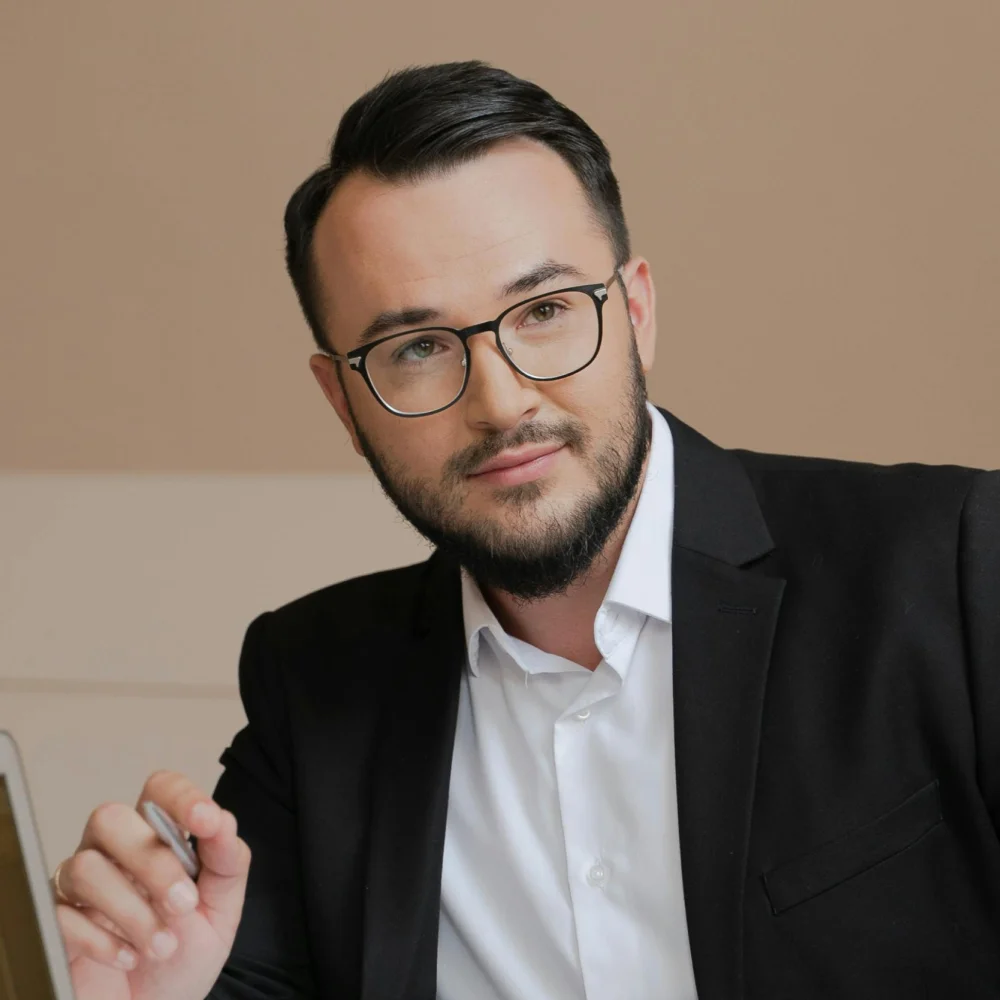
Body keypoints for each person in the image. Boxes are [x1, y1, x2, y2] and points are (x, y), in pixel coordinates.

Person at [48, 61, 999, 1000]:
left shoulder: (955, 564)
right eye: (417, 348)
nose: (501, 404)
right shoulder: (315, 682)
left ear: (636, 312)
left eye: (544, 311)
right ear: (343, 401)